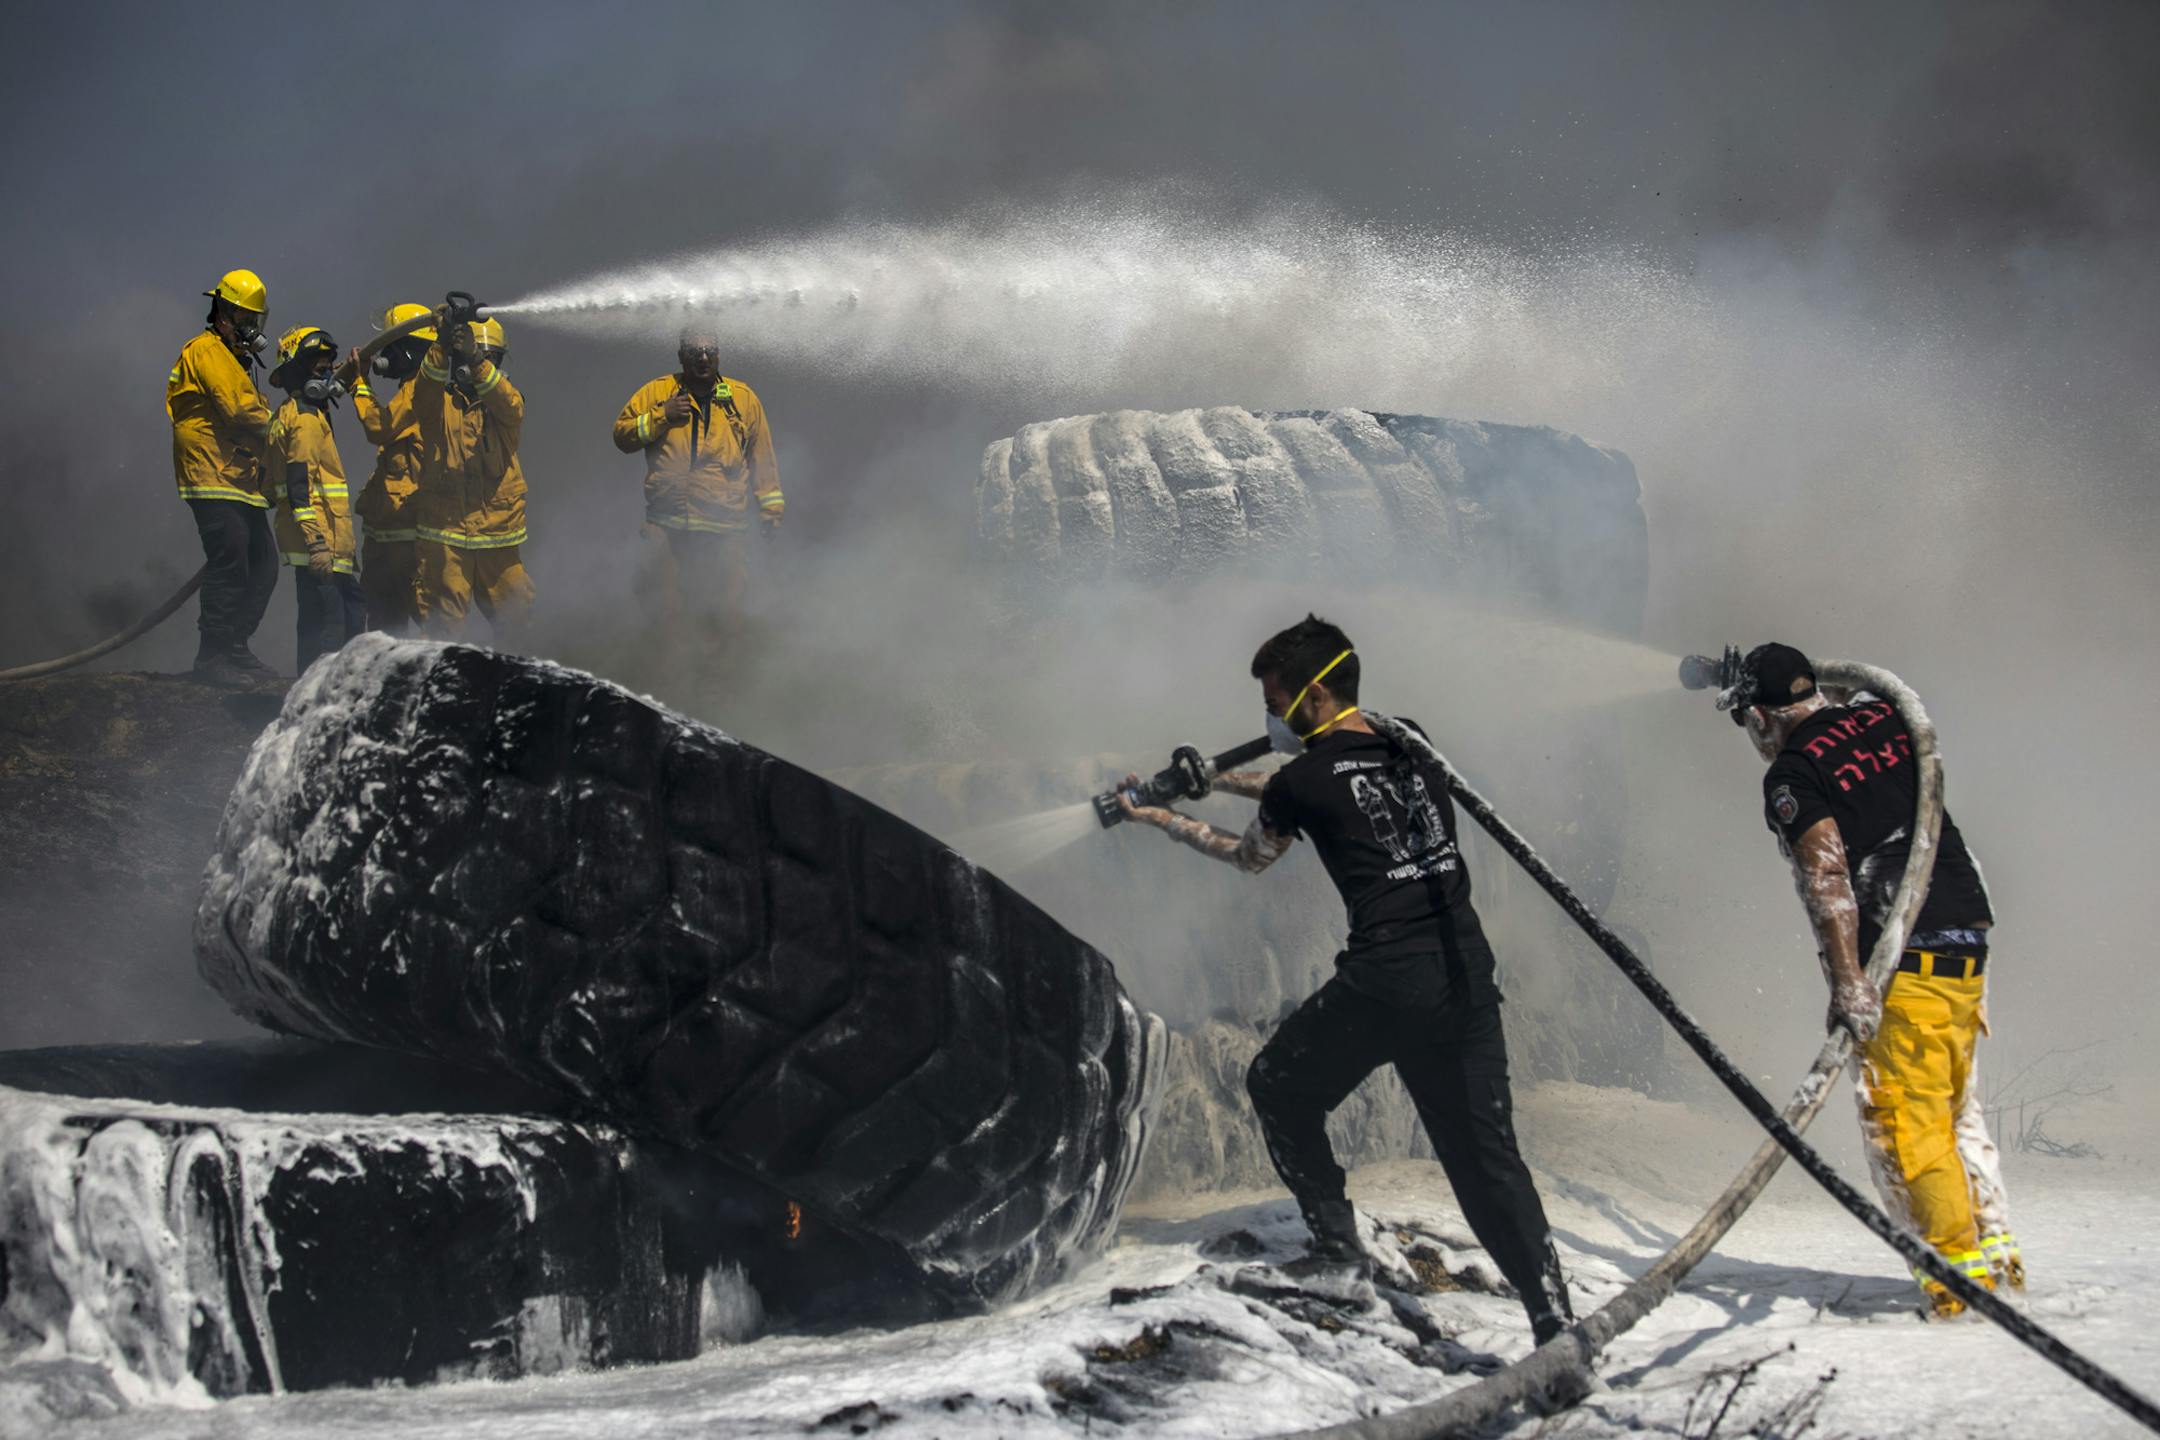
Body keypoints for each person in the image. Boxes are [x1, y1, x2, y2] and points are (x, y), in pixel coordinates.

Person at [1116, 614, 1572, 1343]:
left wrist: (1160, 818)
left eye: (1275, 700)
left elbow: (1250, 853)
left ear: (1316, 697)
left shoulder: (1303, 779)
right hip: (1465, 974)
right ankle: (1554, 1317)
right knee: (1485, 1159)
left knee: (1276, 1085)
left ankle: (1338, 1253)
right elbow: (1316, 783)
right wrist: (1216, 779)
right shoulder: (1410, 741)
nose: (1268, 715)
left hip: (1386, 981)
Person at [1725, 642, 2018, 1319]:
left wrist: (1851, 981)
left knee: (1907, 1125)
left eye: (1749, 723)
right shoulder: (1886, 717)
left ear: (1764, 717)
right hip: (1964, 936)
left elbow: (1826, 878)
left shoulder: (1793, 775)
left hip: (1901, 956)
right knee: (1954, 1108)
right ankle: (1997, 1253)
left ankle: (1957, 1286)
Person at [611, 326, 783, 634]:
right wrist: (661, 415)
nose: (702, 358)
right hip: (666, 525)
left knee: (728, 611)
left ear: (718, 356)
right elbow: (622, 436)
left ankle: (721, 672)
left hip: (725, 528)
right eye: (693, 352)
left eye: (709, 352)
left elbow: (762, 457)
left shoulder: (743, 399)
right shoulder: (657, 393)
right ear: (680, 357)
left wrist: (771, 509)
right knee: (663, 609)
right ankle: (669, 672)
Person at [167, 268, 278, 681]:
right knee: (230, 558)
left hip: (238, 477)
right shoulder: (207, 351)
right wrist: (284, 427)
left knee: (263, 564)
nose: (252, 328)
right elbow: (238, 411)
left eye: (255, 320)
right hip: (209, 469)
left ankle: (234, 646)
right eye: (246, 319)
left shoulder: (234, 360)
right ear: (224, 313)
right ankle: (211, 656)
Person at [412, 315, 531, 641]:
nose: (479, 363)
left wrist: (475, 359)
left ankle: (512, 686)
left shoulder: (508, 402)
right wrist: (441, 343)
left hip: (497, 536)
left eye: (489, 357)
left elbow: (509, 406)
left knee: (516, 619)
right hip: (446, 536)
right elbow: (422, 393)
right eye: (465, 355)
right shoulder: (440, 405)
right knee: (442, 630)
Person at [265, 326, 365, 672]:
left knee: (322, 619)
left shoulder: (289, 414)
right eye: (319, 367)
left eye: (329, 365)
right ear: (298, 371)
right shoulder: (306, 419)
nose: (327, 372)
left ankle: (309, 696)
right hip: (321, 542)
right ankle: (321, 701)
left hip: (323, 542)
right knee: (333, 627)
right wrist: (317, 543)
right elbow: (299, 485)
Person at [351, 302, 433, 634]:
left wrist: (360, 384)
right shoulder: (410, 389)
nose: (387, 355)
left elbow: (378, 428)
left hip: (411, 539)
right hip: (386, 540)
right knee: (385, 628)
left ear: (408, 348)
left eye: (391, 347)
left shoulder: (420, 388)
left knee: (430, 627)